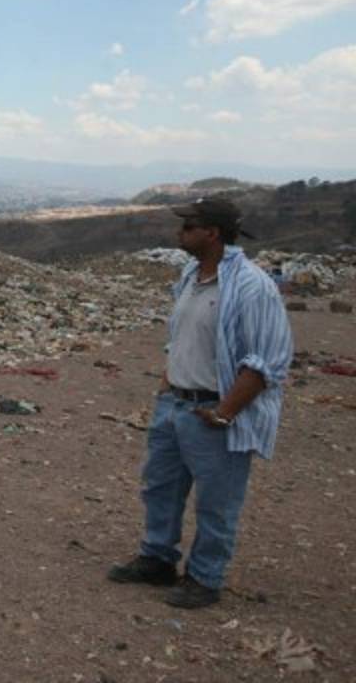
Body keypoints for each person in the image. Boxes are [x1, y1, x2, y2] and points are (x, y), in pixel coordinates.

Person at [108, 197, 293, 609]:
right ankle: (157, 560)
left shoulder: (252, 286)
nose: (180, 232)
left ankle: (205, 578)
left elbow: (268, 361)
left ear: (211, 232)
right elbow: (183, 334)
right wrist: (167, 383)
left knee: (216, 501)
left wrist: (225, 412)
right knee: (160, 489)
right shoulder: (191, 273)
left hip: (214, 411)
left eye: (188, 226)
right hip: (175, 403)